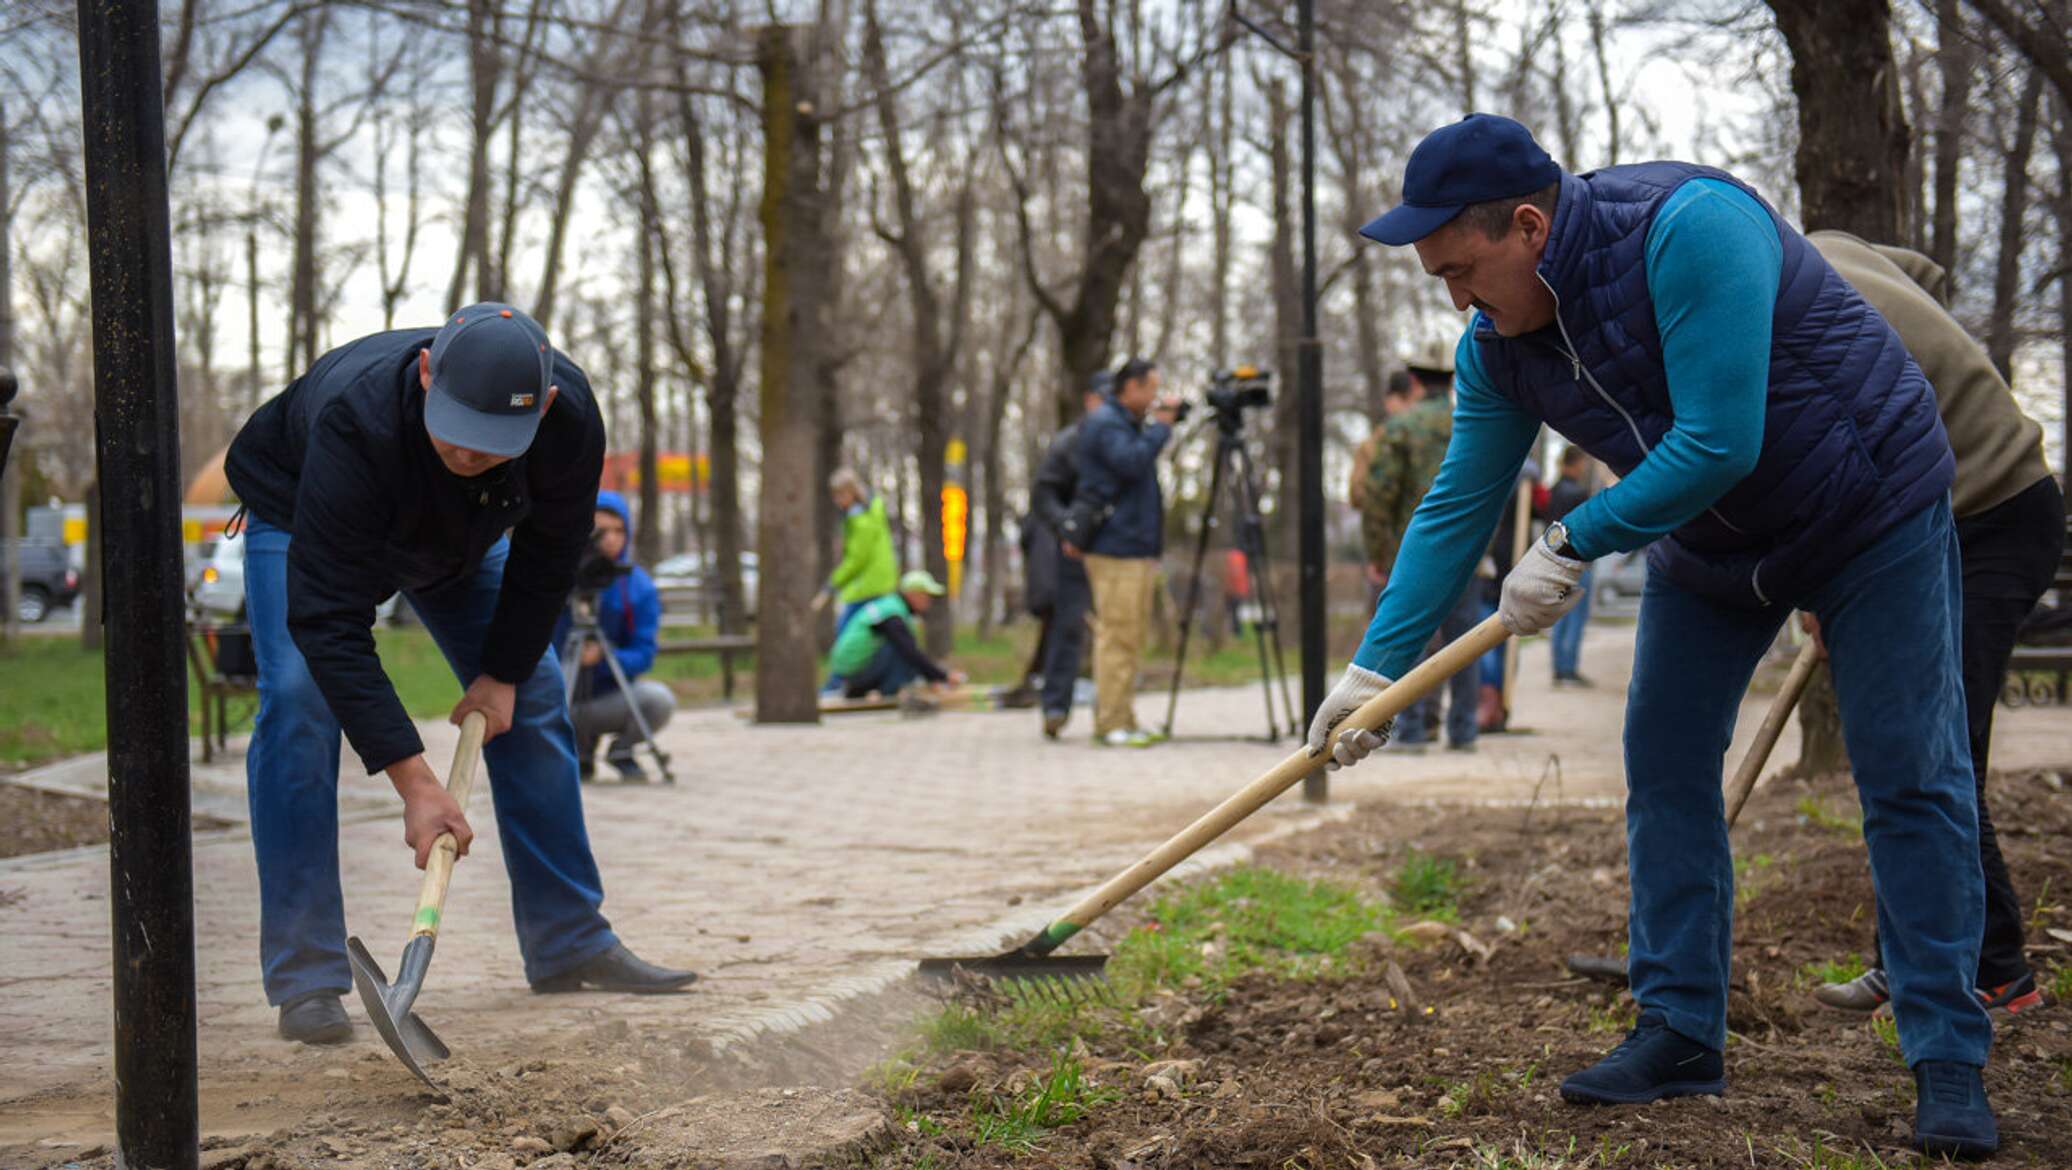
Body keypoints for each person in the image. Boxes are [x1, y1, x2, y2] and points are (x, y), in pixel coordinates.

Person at [1308, 115, 1996, 1156]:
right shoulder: (1495, 348)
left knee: (1907, 772)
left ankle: (1946, 1053)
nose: (1453, 299)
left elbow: (1719, 437)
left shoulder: (1690, 227)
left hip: (1867, 505)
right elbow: (1455, 503)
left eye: (1460, 269)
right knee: (1664, 768)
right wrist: (1373, 669)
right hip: (1708, 543)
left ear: (1528, 226)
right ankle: (1678, 1030)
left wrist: (1571, 540)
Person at [223, 302, 696, 1046]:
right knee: (296, 699)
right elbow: (327, 621)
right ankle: (307, 977)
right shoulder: (358, 419)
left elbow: (549, 555)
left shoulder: (569, 421)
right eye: (457, 431)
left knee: (535, 691)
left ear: (541, 408)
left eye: (492, 443)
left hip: (460, 536)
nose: (469, 453)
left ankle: (570, 941)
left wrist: (501, 674)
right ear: (425, 375)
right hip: (304, 513)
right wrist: (416, 783)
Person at [1802, 230, 2065, 1021]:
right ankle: (1909, 958)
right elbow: (1928, 275)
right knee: (1906, 743)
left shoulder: (1786, 315)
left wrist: (1820, 583)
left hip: (1994, 508)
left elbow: (1822, 462)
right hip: (1940, 510)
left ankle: (1995, 971)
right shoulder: (1825, 245)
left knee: (1939, 748)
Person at [1360, 344, 1479, 754]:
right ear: (1451, 379)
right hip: (1468, 550)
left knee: (1412, 640)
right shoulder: (1472, 422)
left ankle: (1410, 729)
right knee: (1466, 641)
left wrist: (1380, 555)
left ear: (1413, 381)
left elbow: (1379, 496)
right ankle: (1464, 730)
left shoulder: (1400, 428)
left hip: (1415, 554)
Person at [1063, 358, 1181, 748]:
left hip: (1133, 548)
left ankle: (1124, 717)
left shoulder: (1125, 424)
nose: (1153, 399)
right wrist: (1161, 427)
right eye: (1149, 389)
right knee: (1116, 636)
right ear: (1128, 388)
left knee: (1131, 636)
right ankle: (1110, 722)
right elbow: (1130, 463)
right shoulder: (1106, 424)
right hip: (1115, 548)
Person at [552, 490, 676, 783]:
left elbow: (644, 654)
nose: (610, 539)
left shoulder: (638, 586)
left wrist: (603, 658)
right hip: (555, 698)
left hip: (608, 697)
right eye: (600, 530)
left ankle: (622, 752)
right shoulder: (556, 577)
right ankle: (571, 751)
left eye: (619, 530)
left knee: (659, 700)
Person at [1026, 373, 1110, 738]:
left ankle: (1111, 712)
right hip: (1074, 551)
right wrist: (1068, 527)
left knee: (1116, 632)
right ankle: (1056, 705)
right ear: (1090, 400)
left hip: (1115, 549)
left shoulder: (1121, 440)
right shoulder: (1070, 443)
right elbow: (1044, 493)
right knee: (1068, 626)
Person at [827, 569, 966, 699]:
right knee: (903, 654)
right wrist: (943, 676)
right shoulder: (892, 614)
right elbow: (910, 653)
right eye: (926, 596)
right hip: (854, 671)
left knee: (906, 653)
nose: (929, 601)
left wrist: (933, 677)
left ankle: (865, 690)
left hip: (852, 670)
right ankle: (887, 692)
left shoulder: (891, 606)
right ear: (914, 594)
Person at [819, 467, 897, 694]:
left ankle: (835, 685)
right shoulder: (868, 513)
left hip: (868, 586)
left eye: (840, 495)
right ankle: (850, 683)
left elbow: (856, 560)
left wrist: (833, 583)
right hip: (879, 582)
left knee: (846, 634)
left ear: (852, 492)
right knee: (872, 636)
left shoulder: (860, 519)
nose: (837, 501)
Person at [1545, 446, 1597, 686]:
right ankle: (1569, 668)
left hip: (1555, 560)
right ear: (1576, 463)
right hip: (1578, 561)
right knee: (1576, 617)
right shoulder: (1579, 493)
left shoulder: (1552, 491)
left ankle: (1558, 666)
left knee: (1560, 616)